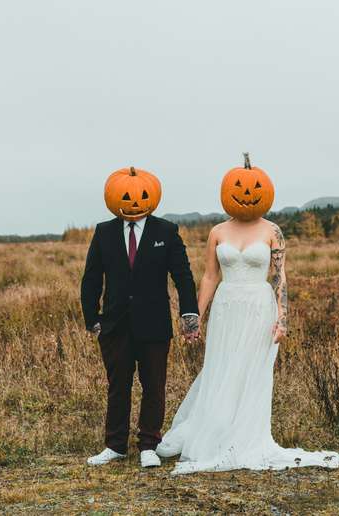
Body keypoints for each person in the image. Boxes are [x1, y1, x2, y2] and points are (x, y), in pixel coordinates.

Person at [156, 154, 339, 474]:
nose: (247, 193)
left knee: (251, 372)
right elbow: (210, 277)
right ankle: (217, 432)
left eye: (254, 188)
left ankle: (245, 437)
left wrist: (283, 318)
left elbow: (279, 276)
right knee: (221, 368)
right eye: (240, 187)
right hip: (226, 307)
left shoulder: (273, 231)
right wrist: (195, 317)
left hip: (259, 308)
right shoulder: (218, 231)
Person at [81, 166, 199, 469]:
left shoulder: (166, 231)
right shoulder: (104, 232)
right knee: (118, 385)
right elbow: (91, 278)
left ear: (153, 196)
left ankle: (149, 444)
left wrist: (189, 315)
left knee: (154, 385)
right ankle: (115, 445)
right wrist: (92, 318)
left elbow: (183, 277)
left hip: (154, 324)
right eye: (126, 196)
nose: (134, 202)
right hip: (115, 325)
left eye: (142, 195)